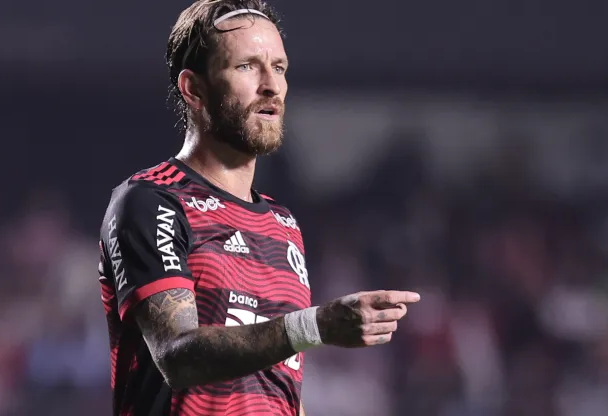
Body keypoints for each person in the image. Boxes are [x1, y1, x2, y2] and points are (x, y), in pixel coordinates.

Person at [97, 1, 421, 415]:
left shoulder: (282, 224)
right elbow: (177, 355)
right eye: (247, 66)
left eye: (280, 68)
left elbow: (281, 383)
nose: (271, 85)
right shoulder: (151, 201)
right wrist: (315, 326)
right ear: (193, 89)